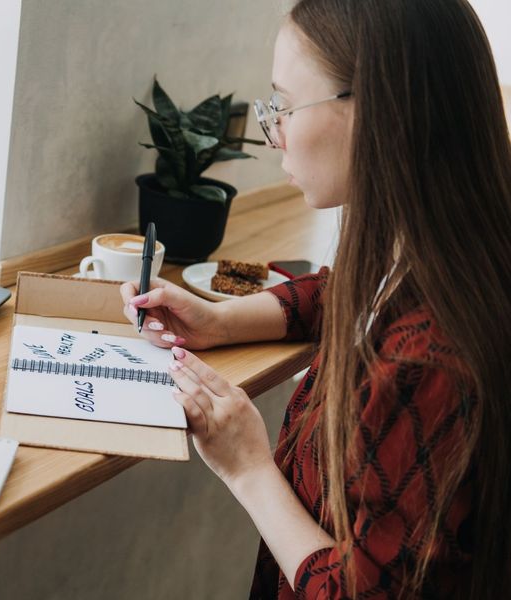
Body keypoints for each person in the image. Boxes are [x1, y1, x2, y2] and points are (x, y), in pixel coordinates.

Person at [121, 0, 511, 597]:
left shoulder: (428, 363)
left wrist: (247, 466)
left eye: (283, 103)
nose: (271, 128)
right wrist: (220, 321)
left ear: (380, 112)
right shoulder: (440, 252)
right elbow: (344, 294)